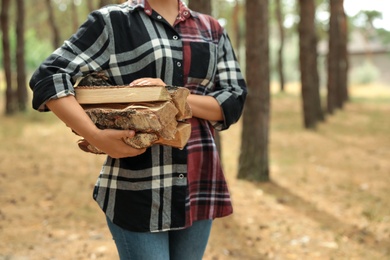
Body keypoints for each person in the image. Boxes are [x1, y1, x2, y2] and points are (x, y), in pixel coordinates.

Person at [29, 0, 247, 259]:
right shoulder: (112, 22)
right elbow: (48, 76)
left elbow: (233, 100)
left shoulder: (211, 30)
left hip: (199, 182)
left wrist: (168, 95)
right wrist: (96, 136)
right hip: (138, 187)